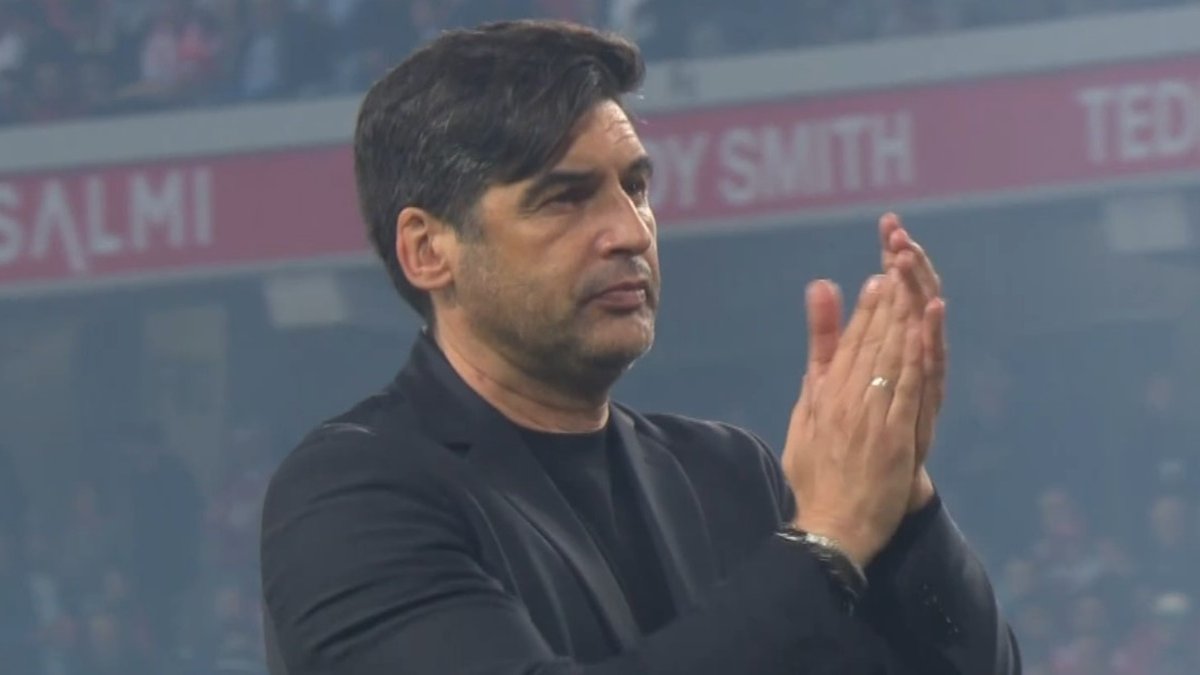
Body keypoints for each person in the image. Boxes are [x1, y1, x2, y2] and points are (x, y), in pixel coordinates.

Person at [260, 19, 1019, 675]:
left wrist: (900, 502)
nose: (630, 231)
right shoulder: (353, 497)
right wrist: (827, 540)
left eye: (636, 187)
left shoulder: (729, 473)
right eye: (564, 198)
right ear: (429, 250)